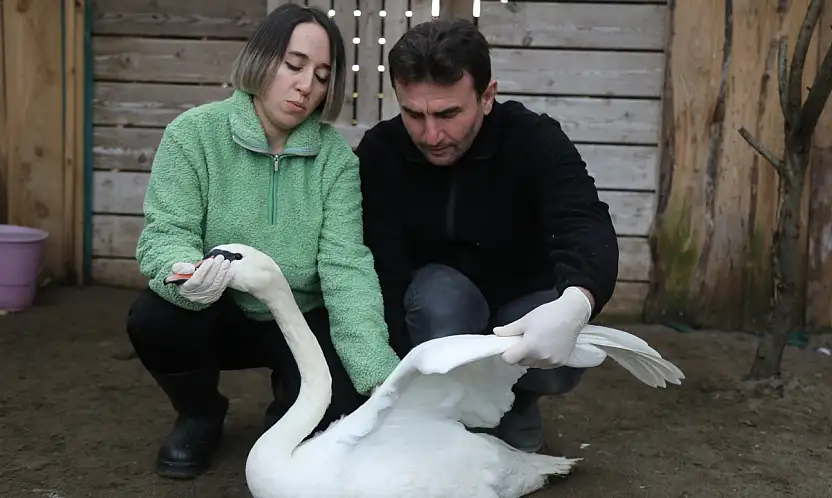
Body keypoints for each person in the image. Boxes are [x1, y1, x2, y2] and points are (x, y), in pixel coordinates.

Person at [125, 4, 400, 479]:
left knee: (337, 417)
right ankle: (199, 413)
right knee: (154, 319)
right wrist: (188, 274)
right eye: (294, 65)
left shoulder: (335, 160)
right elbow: (166, 235)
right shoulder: (193, 135)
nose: (306, 85)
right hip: (217, 309)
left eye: (321, 75)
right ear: (261, 59)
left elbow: (346, 266)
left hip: (298, 317)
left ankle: (287, 407)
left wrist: (377, 374)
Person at [356, 18, 620, 454]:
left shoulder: (533, 139)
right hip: (440, 314)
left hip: (520, 308)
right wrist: (399, 383)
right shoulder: (381, 152)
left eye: (448, 114)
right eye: (413, 114)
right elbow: (380, 271)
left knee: (563, 331)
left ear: (487, 96)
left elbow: (584, 221)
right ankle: (452, 413)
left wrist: (576, 304)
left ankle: (517, 402)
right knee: (440, 300)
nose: (431, 135)